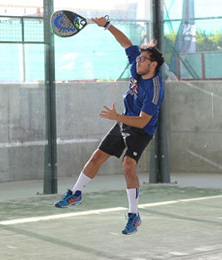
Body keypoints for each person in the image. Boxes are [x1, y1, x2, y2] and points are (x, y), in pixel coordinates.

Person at [53, 16, 165, 235]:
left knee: (128, 166)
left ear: (153, 65)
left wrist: (116, 117)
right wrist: (106, 25)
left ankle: (134, 215)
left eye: (143, 59)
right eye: (139, 58)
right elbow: (126, 43)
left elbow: (143, 121)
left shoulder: (154, 90)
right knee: (97, 157)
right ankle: (76, 193)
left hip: (141, 129)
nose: (138, 61)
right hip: (124, 119)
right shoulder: (137, 65)